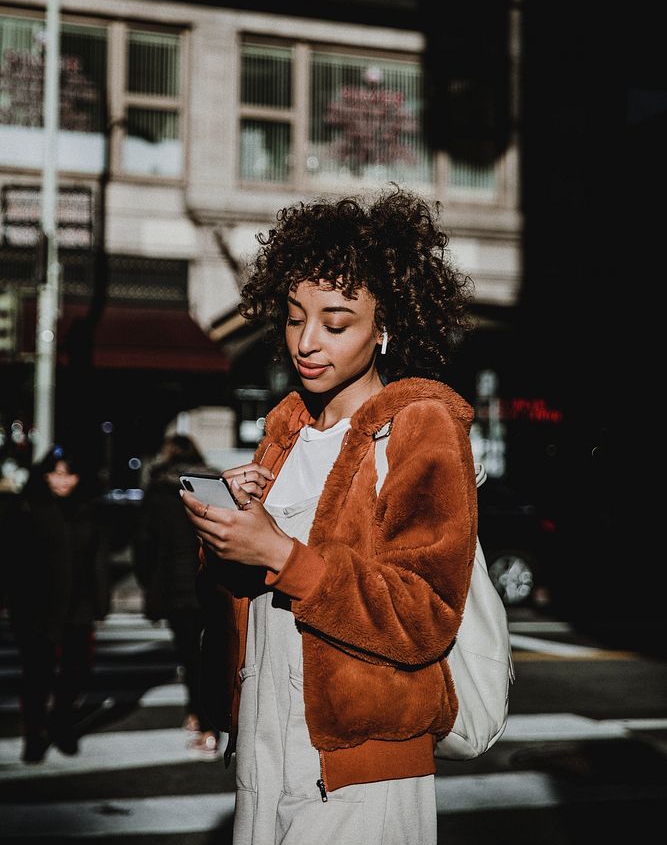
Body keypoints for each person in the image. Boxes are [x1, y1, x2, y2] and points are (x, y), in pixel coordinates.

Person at [180, 187, 478, 844]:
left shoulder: (418, 427)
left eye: (335, 322)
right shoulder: (282, 431)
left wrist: (283, 556)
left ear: (384, 326)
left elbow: (424, 614)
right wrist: (227, 531)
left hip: (358, 763)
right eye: (292, 318)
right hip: (261, 743)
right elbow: (237, 599)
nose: (306, 342)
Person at [4, 444, 110, 763]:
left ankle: (61, 723)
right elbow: (10, 559)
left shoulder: (88, 510)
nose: (62, 482)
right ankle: (34, 733)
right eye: (56, 474)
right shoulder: (27, 508)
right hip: (35, 606)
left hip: (78, 605)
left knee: (74, 673)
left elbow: (98, 560)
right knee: (37, 675)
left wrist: (100, 602)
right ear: (46, 475)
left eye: (70, 475)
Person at [133, 433, 220, 756]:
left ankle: (202, 719)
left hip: (173, 584)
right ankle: (204, 718)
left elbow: (145, 541)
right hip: (212, 579)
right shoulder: (212, 485)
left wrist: (148, 581)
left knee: (188, 656)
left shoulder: (158, 490)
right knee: (211, 655)